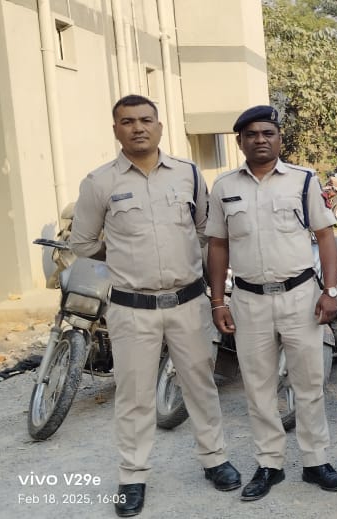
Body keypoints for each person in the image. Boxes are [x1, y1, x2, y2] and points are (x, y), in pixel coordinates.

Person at [70, 94, 240, 517]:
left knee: (200, 385)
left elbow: (204, 230)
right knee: (134, 395)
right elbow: (84, 243)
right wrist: (126, 257)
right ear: (116, 130)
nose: (138, 128)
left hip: (187, 302)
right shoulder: (99, 182)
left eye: (146, 120)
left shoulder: (187, 174)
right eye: (128, 121)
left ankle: (215, 459)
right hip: (132, 308)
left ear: (159, 126)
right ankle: (132, 476)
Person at [206, 105, 337, 501]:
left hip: (300, 297)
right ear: (240, 142)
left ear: (280, 138)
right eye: (251, 134)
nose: (260, 140)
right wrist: (217, 301)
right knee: (258, 387)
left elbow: (325, 237)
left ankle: (316, 462)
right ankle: (269, 464)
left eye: (268, 133)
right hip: (248, 300)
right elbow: (217, 245)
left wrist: (330, 291)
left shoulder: (304, 180)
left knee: (309, 383)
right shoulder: (224, 187)